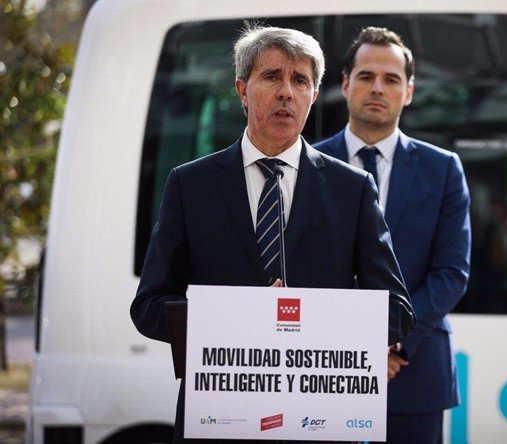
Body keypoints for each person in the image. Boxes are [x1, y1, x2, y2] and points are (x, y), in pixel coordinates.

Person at [130, 24, 415, 444]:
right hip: (217, 425)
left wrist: (303, 322)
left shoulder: (351, 190)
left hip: (319, 426)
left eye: (300, 80)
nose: (286, 91)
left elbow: (398, 313)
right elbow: (149, 306)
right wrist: (238, 319)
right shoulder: (190, 186)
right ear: (242, 89)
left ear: (314, 96)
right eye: (271, 77)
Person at [314, 27, 471, 444]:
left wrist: (393, 344)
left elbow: (452, 272)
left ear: (409, 91)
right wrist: (350, 350)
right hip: (319, 374)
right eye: (365, 76)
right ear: (345, 85)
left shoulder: (443, 170)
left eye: (391, 79)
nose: (377, 88)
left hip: (413, 371)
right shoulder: (306, 164)